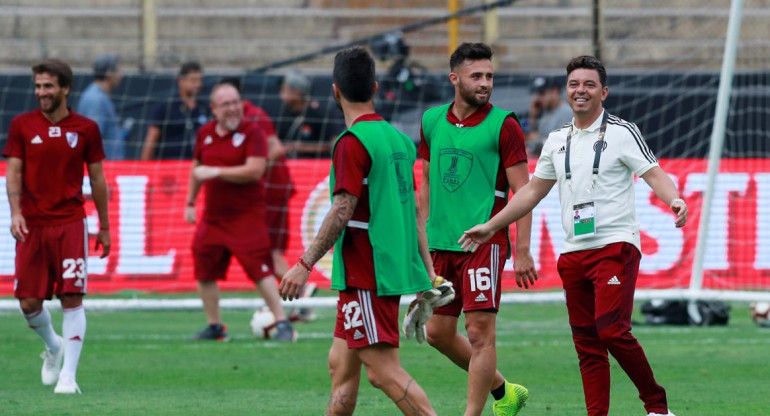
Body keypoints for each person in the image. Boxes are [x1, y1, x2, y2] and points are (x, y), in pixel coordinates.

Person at [460, 55, 687, 416]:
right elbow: (532, 191)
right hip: (573, 253)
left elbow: (653, 172)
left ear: (604, 92)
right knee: (586, 344)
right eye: (574, 84)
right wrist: (492, 225)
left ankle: (657, 407)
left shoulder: (622, 132)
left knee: (611, 331)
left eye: (589, 85)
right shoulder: (556, 140)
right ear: (567, 91)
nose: (580, 91)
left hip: (615, 245)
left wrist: (674, 199)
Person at [278, 47, 440, 416]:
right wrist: (428, 271)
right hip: (383, 269)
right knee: (341, 365)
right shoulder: (398, 140)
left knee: (383, 372)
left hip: (367, 271)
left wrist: (304, 264)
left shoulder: (351, 143)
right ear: (375, 87)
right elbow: (414, 210)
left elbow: (342, 209)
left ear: (335, 91)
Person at [416, 42, 538, 416]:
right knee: (437, 333)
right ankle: (505, 392)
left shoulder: (505, 124)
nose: (485, 83)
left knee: (479, 334)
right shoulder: (432, 121)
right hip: (440, 244)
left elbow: (525, 191)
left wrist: (521, 251)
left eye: (489, 76)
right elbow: (427, 184)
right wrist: (418, 238)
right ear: (454, 78)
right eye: (476, 76)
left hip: (484, 245)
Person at [3, 59, 111, 394]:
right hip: (32, 226)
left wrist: (104, 227)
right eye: (37, 86)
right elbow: (14, 173)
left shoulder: (86, 128)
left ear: (65, 88)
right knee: (29, 304)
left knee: (71, 298)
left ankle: (68, 376)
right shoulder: (22, 125)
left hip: (70, 224)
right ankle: (53, 345)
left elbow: (97, 179)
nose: (41, 92)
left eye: (48, 86)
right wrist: (16, 213)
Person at [184, 81, 295, 342]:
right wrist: (190, 201)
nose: (233, 109)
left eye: (236, 103)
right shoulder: (205, 133)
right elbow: (197, 168)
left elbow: (254, 170)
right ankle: (215, 326)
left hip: (246, 215)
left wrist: (217, 171)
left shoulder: (252, 131)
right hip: (213, 217)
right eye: (226, 104)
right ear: (214, 109)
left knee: (261, 268)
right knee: (203, 266)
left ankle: (282, 321)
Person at [141, 61, 209, 160]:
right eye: (193, 80)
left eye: (200, 80)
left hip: (196, 165)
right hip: (170, 166)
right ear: (181, 81)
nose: (198, 84)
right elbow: (151, 139)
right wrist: (145, 168)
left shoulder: (204, 107)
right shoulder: (166, 107)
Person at [274, 70, 345, 159]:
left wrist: (302, 148)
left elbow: (336, 143)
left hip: (317, 166)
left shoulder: (320, 114)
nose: (281, 95)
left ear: (296, 92)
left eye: (284, 90)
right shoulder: (283, 114)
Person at [76, 54, 125, 159]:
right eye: (118, 71)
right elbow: (93, 139)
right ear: (109, 74)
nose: (121, 76)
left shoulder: (99, 96)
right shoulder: (96, 99)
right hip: (105, 169)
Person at [526, 76, 573, 157]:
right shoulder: (546, 110)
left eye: (542, 94)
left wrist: (537, 142)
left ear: (555, 91)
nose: (538, 98)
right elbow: (533, 134)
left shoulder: (566, 112)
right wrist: (533, 115)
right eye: (536, 94)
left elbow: (561, 144)